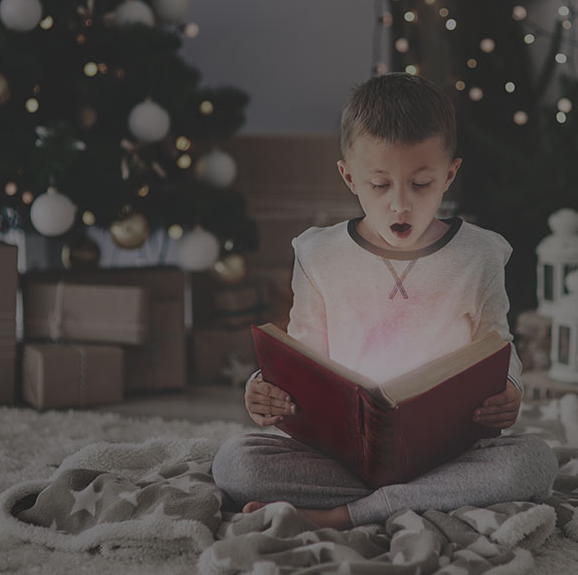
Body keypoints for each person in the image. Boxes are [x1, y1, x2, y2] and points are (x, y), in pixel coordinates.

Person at [212, 73, 558, 530]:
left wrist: (509, 388)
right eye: (379, 185)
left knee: (533, 462)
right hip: (343, 456)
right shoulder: (318, 253)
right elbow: (302, 354)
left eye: (421, 184)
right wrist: (265, 387)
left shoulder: (480, 254)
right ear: (349, 177)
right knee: (236, 462)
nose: (400, 205)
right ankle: (410, 501)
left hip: (446, 454)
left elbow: (498, 346)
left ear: (449, 175)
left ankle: (343, 515)